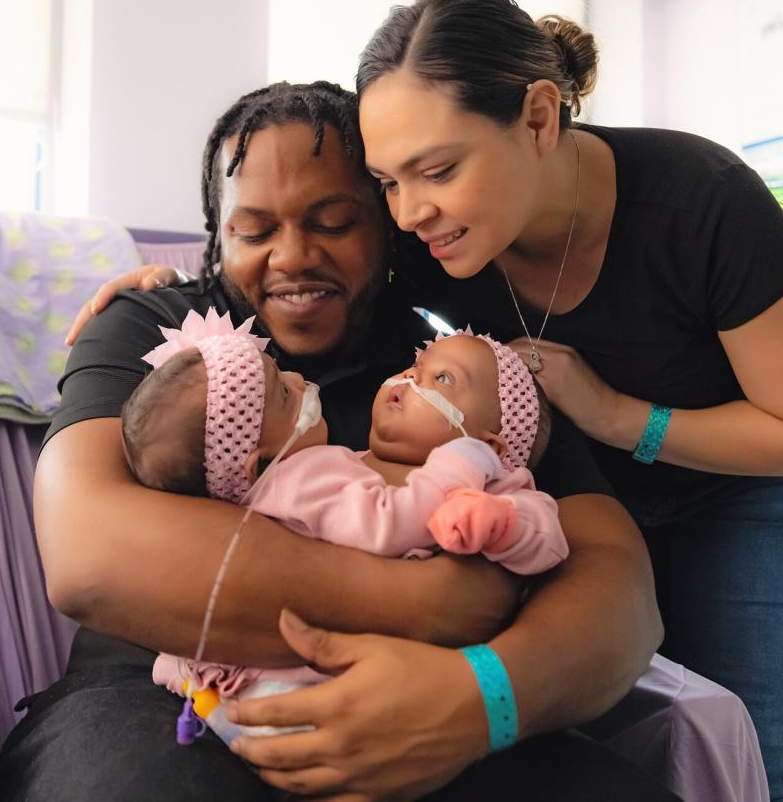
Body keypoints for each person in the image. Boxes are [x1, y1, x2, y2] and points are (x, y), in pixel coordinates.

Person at [0, 81, 673, 801]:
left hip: (432, 698)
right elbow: (90, 555)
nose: (292, 257)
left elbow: (621, 592)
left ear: (387, 226)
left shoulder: (453, 370)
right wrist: (424, 605)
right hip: (171, 699)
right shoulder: (157, 333)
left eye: (334, 221)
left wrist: (479, 701)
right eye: (254, 231)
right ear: (217, 238)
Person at [353, 0, 783, 802]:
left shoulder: (701, 201)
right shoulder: (424, 236)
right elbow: (310, 269)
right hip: (596, 495)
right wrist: (165, 294)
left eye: (439, 170)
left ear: (541, 117)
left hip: (751, 492)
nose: (411, 212)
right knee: (610, 744)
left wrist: (613, 414)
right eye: (389, 181)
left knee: (747, 747)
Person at [127, 315, 568, 746]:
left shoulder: (492, 483)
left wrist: (504, 524)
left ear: (489, 445)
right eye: (414, 366)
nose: (408, 378)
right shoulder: (328, 469)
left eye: (443, 379)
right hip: (295, 681)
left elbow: (549, 540)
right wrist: (456, 466)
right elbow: (385, 521)